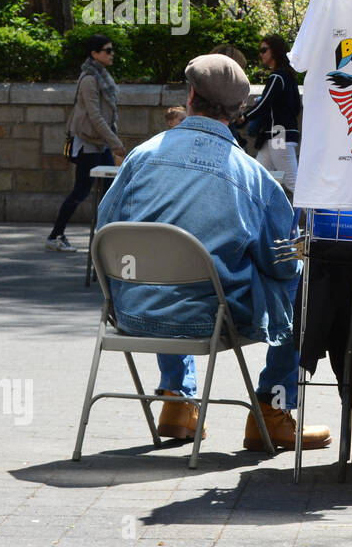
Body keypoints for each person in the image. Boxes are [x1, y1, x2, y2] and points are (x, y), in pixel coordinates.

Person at [97, 54, 330, 450]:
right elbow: (283, 264)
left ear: (190, 96)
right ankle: (271, 413)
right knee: (303, 283)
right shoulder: (252, 177)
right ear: (240, 111)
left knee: (169, 275)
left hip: (132, 310)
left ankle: (176, 400)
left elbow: (105, 227)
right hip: (212, 318)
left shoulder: (141, 156)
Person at [46, 34, 124, 252]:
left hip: (101, 143)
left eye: (112, 50)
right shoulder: (90, 79)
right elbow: (95, 116)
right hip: (89, 144)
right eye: (107, 50)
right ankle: (55, 236)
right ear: (94, 54)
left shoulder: (102, 76)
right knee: (80, 191)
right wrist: (115, 141)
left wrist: (111, 140)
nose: (112, 54)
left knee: (111, 190)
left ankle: (107, 238)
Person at [239, 35, 301, 194]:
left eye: (264, 50)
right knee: (260, 180)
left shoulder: (277, 77)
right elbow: (295, 107)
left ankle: (317, 218)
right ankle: (264, 217)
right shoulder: (288, 77)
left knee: (294, 184)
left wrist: (244, 117)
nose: (261, 54)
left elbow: (264, 104)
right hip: (275, 136)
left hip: (278, 136)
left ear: (275, 51)